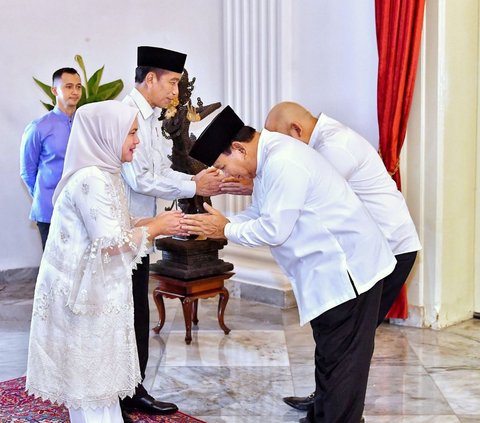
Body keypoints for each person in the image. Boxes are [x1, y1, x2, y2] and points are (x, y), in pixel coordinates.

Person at [181, 106, 397, 423]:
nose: (228, 175)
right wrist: (227, 223)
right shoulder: (270, 158)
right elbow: (261, 213)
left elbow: (274, 230)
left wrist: (224, 229)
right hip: (328, 273)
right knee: (330, 354)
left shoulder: (283, 161)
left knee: (344, 361)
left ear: (239, 148)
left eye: (224, 165)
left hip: (348, 271)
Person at [26, 100, 187, 423]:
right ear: (107, 135)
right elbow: (112, 242)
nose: (137, 141)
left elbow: (121, 222)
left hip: (92, 288)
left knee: (97, 384)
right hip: (80, 294)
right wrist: (157, 228)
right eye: (131, 133)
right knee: (89, 382)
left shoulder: (106, 173)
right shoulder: (91, 179)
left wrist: (158, 221)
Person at [264, 102, 422, 413]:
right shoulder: (322, 141)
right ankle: (328, 402)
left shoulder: (334, 147)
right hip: (373, 250)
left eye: (279, 142)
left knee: (349, 341)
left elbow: (301, 199)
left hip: (392, 250)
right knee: (343, 340)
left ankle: (337, 410)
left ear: (296, 130)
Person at [120, 46, 223, 415]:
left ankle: (134, 389)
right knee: (126, 316)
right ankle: (123, 392)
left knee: (138, 315)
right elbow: (141, 178)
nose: (177, 94)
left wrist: (195, 180)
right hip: (124, 233)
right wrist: (194, 188)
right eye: (174, 83)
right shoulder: (126, 115)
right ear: (151, 78)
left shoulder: (149, 117)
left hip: (143, 234)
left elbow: (161, 171)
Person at [20, 67, 82, 249]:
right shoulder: (38, 127)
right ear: (54, 90)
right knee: (54, 270)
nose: (75, 92)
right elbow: (27, 172)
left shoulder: (85, 124)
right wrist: (44, 196)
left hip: (80, 210)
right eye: (69, 86)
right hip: (49, 211)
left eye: (78, 87)